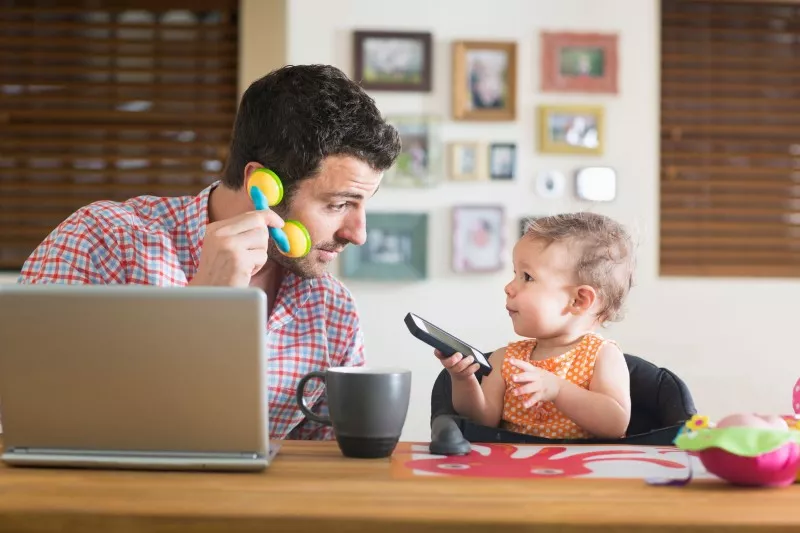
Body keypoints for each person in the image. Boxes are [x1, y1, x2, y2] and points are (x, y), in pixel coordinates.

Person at [17, 64, 402, 440]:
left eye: (363, 204)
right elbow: (19, 410)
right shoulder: (103, 241)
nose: (359, 234)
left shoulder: (332, 309)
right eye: (338, 205)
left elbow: (325, 466)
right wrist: (199, 311)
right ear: (262, 187)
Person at [436, 212, 636, 439]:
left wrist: (559, 390)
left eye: (527, 277)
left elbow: (615, 425)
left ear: (578, 300)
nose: (509, 287)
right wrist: (464, 380)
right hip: (514, 470)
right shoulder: (506, 359)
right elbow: (483, 421)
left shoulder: (602, 356)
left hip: (580, 471)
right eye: (515, 274)